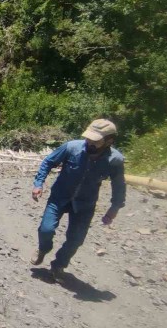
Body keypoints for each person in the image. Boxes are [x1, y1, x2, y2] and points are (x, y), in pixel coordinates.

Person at [30, 119, 126, 283]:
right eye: (88, 138)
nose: (89, 142)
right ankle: (43, 249)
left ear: (109, 141)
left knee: (76, 240)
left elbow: (119, 185)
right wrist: (39, 183)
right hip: (59, 197)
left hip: (85, 204)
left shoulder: (115, 160)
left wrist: (114, 207)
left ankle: (59, 264)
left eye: (95, 140)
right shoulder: (72, 147)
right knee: (46, 230)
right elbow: (48, 162)